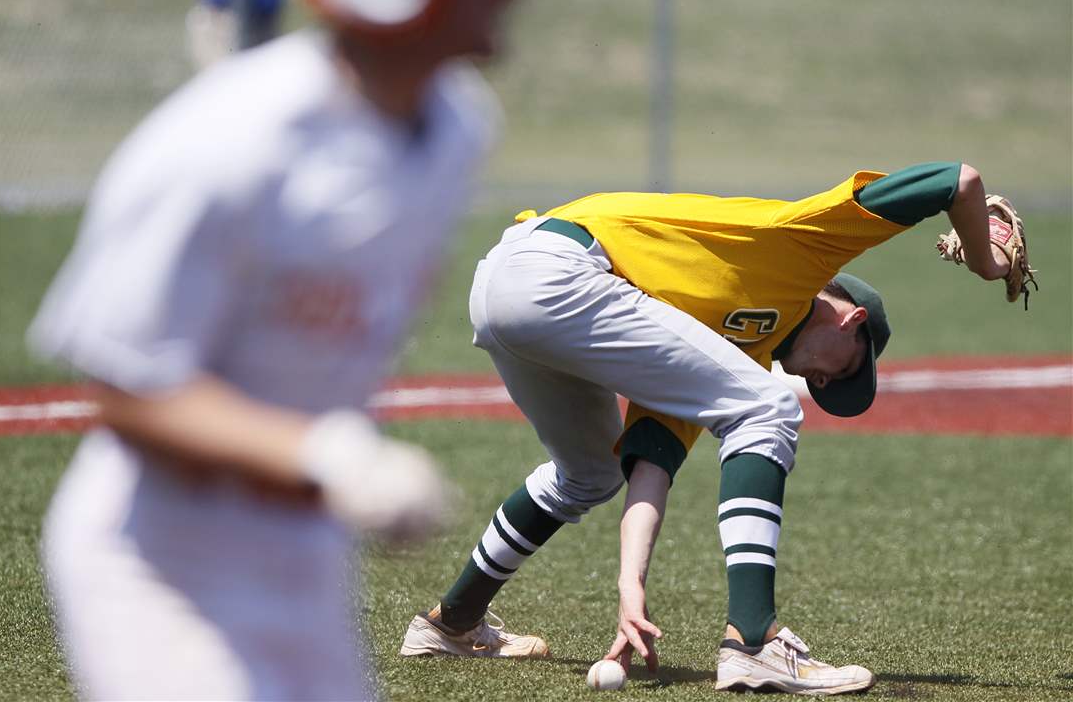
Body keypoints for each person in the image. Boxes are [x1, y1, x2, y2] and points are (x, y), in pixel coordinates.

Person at [29, 0, 516, 698]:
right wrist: (328, 456)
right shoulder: (234, 136)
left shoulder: (458, 128)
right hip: (160, 559)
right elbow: (127, 390)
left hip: (301, 546)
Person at [400, 161, 1016, 695]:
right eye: (846, 369)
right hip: (558, 266)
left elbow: (649, 465)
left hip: (504, 289)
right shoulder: (802, 248)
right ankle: (754, 641)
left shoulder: (729, 355)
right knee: (768, 407)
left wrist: (628, 587)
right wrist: (987, 263)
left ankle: (449, 623)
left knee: (588, 473)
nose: (826, 384)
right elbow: (957, 180)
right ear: (851, 319)